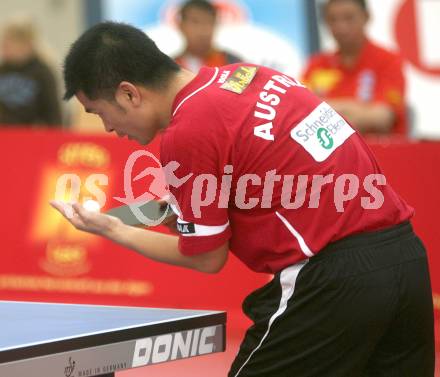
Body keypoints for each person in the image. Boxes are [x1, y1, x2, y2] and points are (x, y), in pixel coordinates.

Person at [52, 22, 434, 376]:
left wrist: (112, 228)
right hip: (406, 259)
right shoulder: (248, 76)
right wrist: (171, 212)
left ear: (128, 92)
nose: (109, 129)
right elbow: (269, 178)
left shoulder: (187, 132)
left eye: (100, 113)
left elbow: (206, 257)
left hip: (334, 281)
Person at [302, 0, 408, 136]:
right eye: (332, 19)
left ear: (366, 16)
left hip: (380, 153)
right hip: (330, 153)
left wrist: (326, 110)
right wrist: (359, 109)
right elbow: (303, 114)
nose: (341, 27)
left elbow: (382, 118)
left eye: (349, 17)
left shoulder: (388, 60)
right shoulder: (316, 65)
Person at [0, 16, 62, 127]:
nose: (4, 48)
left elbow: (53, 114)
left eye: (8, 44)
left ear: (26, 44)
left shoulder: (42, 73)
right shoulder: (3, 70)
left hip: (33, 135)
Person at [174, 0, 241, 72]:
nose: (204, 30)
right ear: (181, 25)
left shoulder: (234, 64)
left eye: (209, 22)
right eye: (195, 22)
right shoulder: (169, 68)